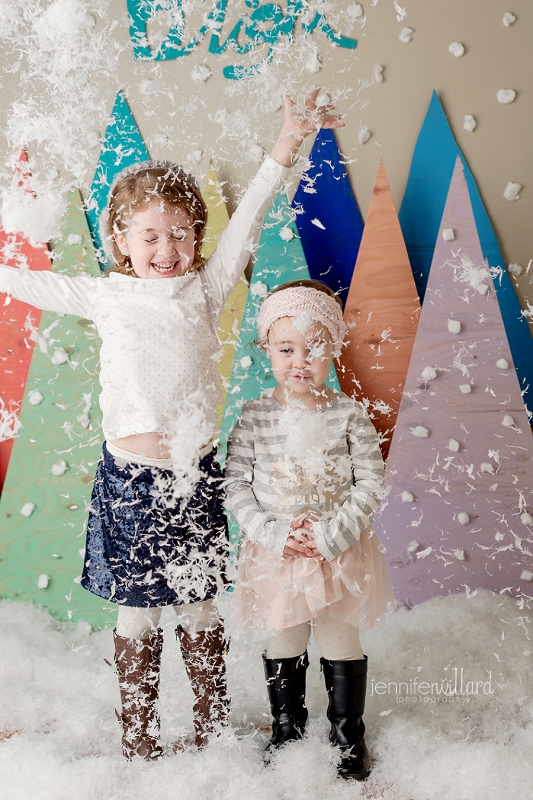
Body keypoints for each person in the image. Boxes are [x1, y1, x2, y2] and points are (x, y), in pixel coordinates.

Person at [0, 91, 344, 761]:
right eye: (150, 235)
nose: (167, 247)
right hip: (129, 482)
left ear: (196, 235)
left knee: (198, 609)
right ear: (120, 242)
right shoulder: (106, 293)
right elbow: (25, 282)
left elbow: (247, 219)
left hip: (194, 478)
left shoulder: (207, 287)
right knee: (137, 612)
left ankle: (211, 729)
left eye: (182, 231)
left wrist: (286, 141)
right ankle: (139, 737)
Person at [224, 280, 394, 780]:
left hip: (336, 552)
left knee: (340, 636)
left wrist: (330, 535)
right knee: (284, 635)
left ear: (333, 350)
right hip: (278, 553)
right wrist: (274, 534)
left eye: (315, 348)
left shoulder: (348, 414)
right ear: (267, 349)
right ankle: (287, 730)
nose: (301, 360)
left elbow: (370, 481)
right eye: (286, 348)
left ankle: (347, 735)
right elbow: (236, 486)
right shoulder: (256, 416)